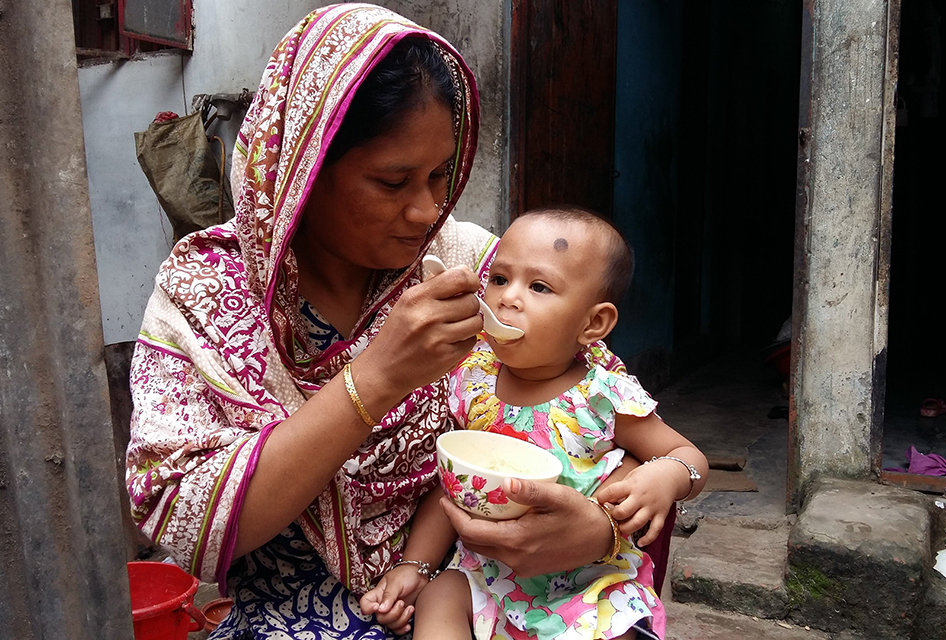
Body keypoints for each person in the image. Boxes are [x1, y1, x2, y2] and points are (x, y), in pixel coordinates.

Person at [125, 5, 651, 638]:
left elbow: (601, 418)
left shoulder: (474, 270)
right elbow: (186, 524)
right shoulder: (205, 293)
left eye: (439, 175)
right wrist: (373, 379)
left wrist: (597, 528)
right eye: (393, 180)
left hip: (484, 598)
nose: (426, 209)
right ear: (304, 169)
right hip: (290, 619)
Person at [360, 208, 708, 640]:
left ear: (592, 323)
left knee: (614, 624)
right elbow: (451, 489)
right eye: (500, 279)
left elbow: (687, 455)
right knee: (440, 595)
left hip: (584, 583)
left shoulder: (602, 397)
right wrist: (415, 566)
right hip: (487, 575)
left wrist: (668, 476)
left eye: (539, 286)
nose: (507, 297)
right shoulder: (472, 380)